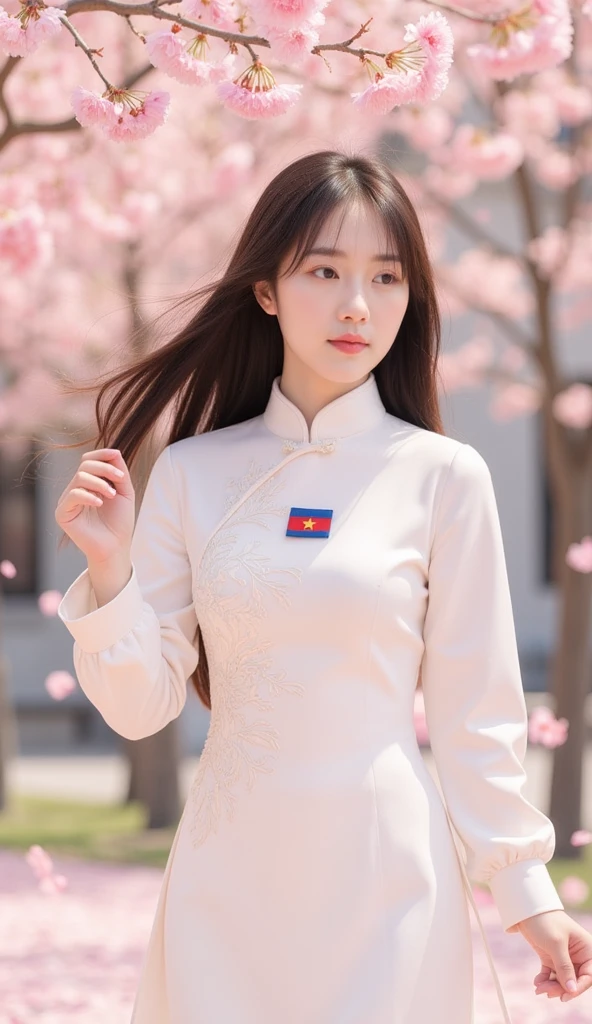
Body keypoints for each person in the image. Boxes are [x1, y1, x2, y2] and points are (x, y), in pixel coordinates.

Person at [54, 149, 592, 1024]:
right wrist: (109, 571)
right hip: (228, 880)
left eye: (387, 277)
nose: (358, 305)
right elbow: (140, 706)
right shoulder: (193, 473)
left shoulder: (443, 477)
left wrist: (530, 895)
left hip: (387, 880)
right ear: (266, 288)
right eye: (325, 271)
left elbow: (475, 712)